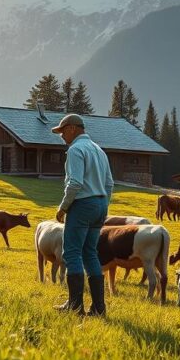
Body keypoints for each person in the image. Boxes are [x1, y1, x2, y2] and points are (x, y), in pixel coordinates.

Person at [52, 114, 114, 316]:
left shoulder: (76, 150)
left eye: (62, 131)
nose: (61, 136)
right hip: (100, 204)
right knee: (90, 253)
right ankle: (98, 308)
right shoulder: (99, 150)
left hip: (82, 205)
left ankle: (75, 306)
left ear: (72, 128)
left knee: (72, 253)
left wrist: (63, 207)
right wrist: (103, 205)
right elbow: (109, 184)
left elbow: (76, 183)